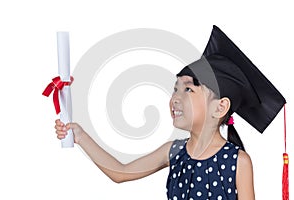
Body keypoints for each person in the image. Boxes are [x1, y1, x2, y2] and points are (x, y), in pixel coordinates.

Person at [54, 26, 286, 200]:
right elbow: (121, 172)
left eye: (188, 89)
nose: (175, 97)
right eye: (175, 89)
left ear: (220, 107)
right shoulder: (174, 152)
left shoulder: (238, 162)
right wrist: (81, 136)